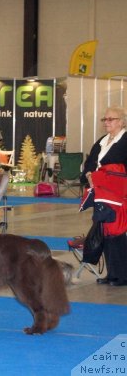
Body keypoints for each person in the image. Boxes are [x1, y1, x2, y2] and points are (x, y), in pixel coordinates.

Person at [82, 106, 127, 286]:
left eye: (111, 119)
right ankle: (112, 274)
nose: (106, 122)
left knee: (118, 233)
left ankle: (123, 275)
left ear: (121, 122)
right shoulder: (102, 141)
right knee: (105, 232)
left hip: (120, 194)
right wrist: (88, 176)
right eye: (105, 119)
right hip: (102, 192)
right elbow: (90, 164)